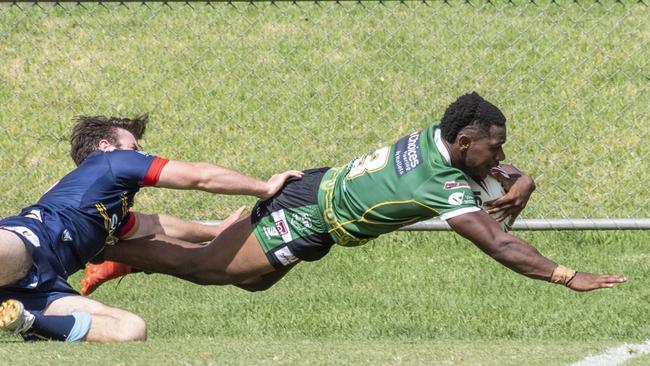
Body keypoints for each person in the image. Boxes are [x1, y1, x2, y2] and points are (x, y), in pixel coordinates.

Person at [86, 92, 626, 297]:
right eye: (495, 147)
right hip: (306, 214)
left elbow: (495, 170)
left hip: (317, 200)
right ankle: (97, 247)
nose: (500, 155)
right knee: (209, 268)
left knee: (250, 280)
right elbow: (501, 245)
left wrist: (522, 179)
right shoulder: (440, 182)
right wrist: (565, 275)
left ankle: (130, 249)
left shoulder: (439, 140)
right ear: (465, 142)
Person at [0, 114, 302, 342]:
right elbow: (199, 176)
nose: (140, 152)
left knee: (132, 330)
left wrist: (216, 231)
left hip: (44, 290)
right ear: (107, 147)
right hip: (29, 242)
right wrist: (264, 187)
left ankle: (27, 322)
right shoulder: (111, 163)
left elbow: (155, 225)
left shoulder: (110, 214)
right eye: (134, 147)